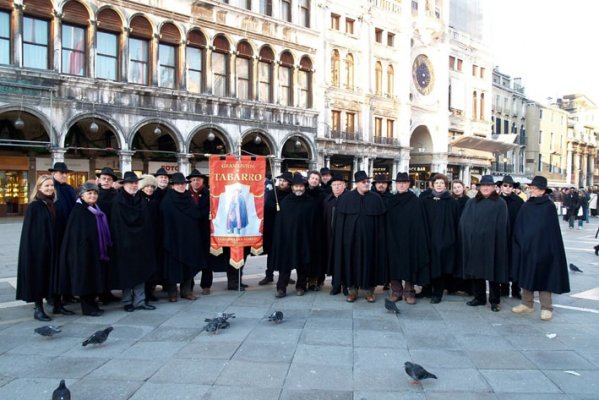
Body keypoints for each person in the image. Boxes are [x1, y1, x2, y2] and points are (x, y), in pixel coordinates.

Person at [511, 176, 570, 321]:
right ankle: (527, 304)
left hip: (544, 248)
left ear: (543, 190)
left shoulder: (548, 206)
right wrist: (521, 241)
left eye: (535, 188)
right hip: (527, 247)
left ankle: (546, 308)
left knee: (544, 276)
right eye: (531, 188)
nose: (532, 191)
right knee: (527, 274)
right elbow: (520, 225)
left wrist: (547, 247)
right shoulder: (526, 205)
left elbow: (551, 230)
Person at [16, 175, 73, 321]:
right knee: (39, 276)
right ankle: (38, 308)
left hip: (56, 247)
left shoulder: (56, 205)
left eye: (51, 186)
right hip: (39, 250)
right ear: (39, 188)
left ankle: (57, 304)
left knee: (56, 275)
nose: (49, 188)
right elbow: (30, 233)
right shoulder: (34, 207)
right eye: (46, 186)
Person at [331, 171, 387, 303]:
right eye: (363, 182)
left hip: (370, 241)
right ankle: (352, 291)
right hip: (351, 241)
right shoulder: (346, 198)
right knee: (351, 263)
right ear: (357, 184)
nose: (366, 184)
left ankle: (369, 291)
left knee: (370, 263)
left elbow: (380, 223)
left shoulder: (376, 198)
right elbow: (339, 224)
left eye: (368, 181)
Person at [59, 182, 111, 316]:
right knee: (85, 279)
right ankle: (88, 308)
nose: (93, 196)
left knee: (93, 279)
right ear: (82, 195)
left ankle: (93, 305)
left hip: (94, 251)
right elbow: (77, 235)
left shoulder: (95, 209)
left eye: (95, 193)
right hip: (83, 253)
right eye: (89, 193)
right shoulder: (79, 211)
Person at [459, 175, 509, 312]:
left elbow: (502, 225)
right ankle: (479, 297)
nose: (486, 188)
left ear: (493, 187)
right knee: (476, 272)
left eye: (489, 186)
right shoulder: (472, 202)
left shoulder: (500, 203)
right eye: (483, 186)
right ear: (480, 187)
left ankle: (494, 301)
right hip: (475, 243)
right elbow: (464, 221)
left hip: (493, 243)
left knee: (493, 273)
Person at [109, 172, 156, 312]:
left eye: (136, 183)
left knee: (141, 271)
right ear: (124, 184)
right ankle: (127, 301)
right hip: (124, 243)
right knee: (126, 273)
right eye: (131, 183)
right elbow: (117, 224)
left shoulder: (140, 199)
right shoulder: (118, 200)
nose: (134, 185)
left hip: (141, 242)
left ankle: (140, 301)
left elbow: (147, 220)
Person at [385, 172, 430, 305]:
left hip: (410, 239)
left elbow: (420, 222)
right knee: (394, 264)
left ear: (409, 184)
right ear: (396, 184)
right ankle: (396, 291)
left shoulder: (416, 201)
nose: (401, 185)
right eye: (399, 182)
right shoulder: (391, 201)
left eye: (404, 182)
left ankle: (409, 292)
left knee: (409, 264)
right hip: (393, 238)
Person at [160, 172, 205, 302]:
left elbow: (195, 215)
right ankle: (172, 292)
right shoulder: (167, 199)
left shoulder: (188, 198)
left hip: (188, 238)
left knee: (188, 264)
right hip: (172, 238)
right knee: (172, 266)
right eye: (178, 184)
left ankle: (186, 291)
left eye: (183, 184)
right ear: (172, 185)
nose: (181, 186)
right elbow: (164, 218)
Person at [271, 173, 316, 298]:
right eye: (296, 186)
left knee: (303, 264)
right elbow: (280, 224)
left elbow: (313, 222)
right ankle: (281, 288)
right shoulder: (285, 202)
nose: (298, 189)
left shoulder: (310, 202)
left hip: (304, 239)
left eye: (301, 186)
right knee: (285, 266)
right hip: (288, 240)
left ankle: (301, 286)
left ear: (304, 187)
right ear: (292, 187)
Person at [421, 173, 459, 303]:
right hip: (428, 239)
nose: (439, 185)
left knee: (441, 266)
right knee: (428, 264)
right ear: (432, 184)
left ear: (445, 185)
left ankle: (438, 292)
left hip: (444, 240)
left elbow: (455, 221)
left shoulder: (452, 202)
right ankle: (426, 289)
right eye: (436, 183)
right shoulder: (426, 200)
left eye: (441, 183)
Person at [260, 171, 293, 285]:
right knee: (271, 252)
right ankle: (269, 275)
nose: (282, 183)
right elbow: (267, 207)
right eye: (281, 181)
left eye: (284, 181)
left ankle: (285, 275)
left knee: (285, 253)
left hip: (285, 229)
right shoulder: (273, 193)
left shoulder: (291, 195)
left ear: (289, 184)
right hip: (272, 227)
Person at [95, 166, 121, 305]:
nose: (106, 181)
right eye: (104, 178)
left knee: (110, 264)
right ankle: (100, 292)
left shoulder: (116, 195)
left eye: (109, 179)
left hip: (112, 233)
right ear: (99, 180)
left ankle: (108, 291)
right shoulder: (94, 194)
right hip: (98, 234)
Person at [497, 176, 524, 299]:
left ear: (513, 188)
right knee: (502, 261)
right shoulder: (496, 200)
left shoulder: (519, 201)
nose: (507, 188)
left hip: (514, 236)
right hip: (501, 236)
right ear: (501, 187)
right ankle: (503, 288)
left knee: (515, 262)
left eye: (510, 186)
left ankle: (515, 289)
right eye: (505, 185)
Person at [138, 174, 163, 303]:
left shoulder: (155, 201)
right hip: (143, 240)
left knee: (153, 268)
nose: (150, 189)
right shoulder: (138, 200)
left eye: (152, 186)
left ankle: (150, 291)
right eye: (147, 186)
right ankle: (143, 294)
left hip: (155, 239)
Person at [324, 173, 348, 295]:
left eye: (339, 185)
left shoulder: (349, 199)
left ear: (344, 186)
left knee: (345, 261)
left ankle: (345, 285)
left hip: (345, 238)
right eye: (334, 185)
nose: (337, 187)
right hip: (330, 236)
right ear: (331, 187)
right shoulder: (327, 200)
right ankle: (335, 285)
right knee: (333, 261)